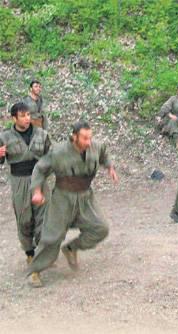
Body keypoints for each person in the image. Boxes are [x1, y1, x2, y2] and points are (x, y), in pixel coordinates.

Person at [27, 121, 118, 286]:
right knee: (51, 237)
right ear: (74, 137)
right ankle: (35, 270)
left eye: (90, 138)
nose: (88, 142)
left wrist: (110, 166)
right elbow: (40, 169)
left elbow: (104, 154)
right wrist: (37, 191)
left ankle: (71, 248)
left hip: (85, 197)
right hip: (63, 198)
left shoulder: (95, 147)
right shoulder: (58, 152)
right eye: (84, 138)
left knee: (101, 228)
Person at [0, 102, 51, 287]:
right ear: (14, 118)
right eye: (22, 115)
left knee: (43, 220)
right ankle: (29, 253)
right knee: (24, 219)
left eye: (28, 114)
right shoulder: (4, 137)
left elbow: (50, 157)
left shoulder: (42, 134)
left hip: (39, 180)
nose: (27, 118)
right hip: (19, 180)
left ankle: (37, 264)